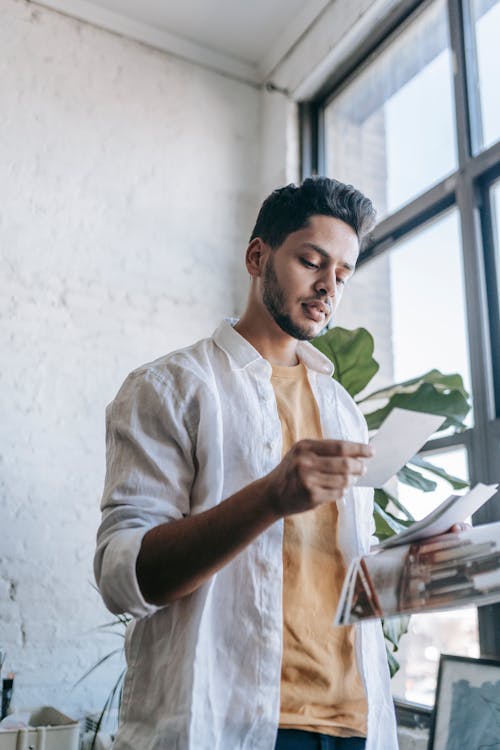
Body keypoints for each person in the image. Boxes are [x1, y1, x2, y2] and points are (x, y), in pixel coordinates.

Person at [94, 177, 399, 750]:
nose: (328, 287)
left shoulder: (342, 409)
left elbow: (345, 572)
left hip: (352, 722)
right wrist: (270, 496)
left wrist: (414, 562)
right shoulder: (170, 388)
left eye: (343, 274)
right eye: (312, 261)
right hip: (230, 722)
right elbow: (123, 577)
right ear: (258, 256)